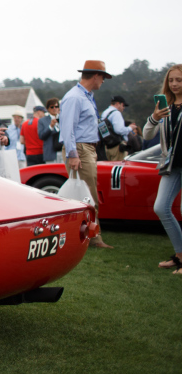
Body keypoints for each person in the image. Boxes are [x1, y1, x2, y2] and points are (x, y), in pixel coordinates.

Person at [59, 60, 113, 249]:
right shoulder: (75, 97)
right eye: (103, 77)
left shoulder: (85, 96)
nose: (103, 81)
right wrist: (74, 153)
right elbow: (67, 128)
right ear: (96, 75)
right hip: (80, 148)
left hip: (85, 147)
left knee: (86, 194)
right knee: (88, 196)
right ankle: (93, 238)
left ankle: (87, 235)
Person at [144, 64, 182, 274]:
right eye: (171, 80)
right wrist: (155, 117)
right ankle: (180, 255)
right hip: (171, 165)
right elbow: (147, 135)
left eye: (179, 80)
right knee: (161, 207)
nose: (174, 84)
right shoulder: (164, 106)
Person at [102, 96, 132, 162]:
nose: (123, 108)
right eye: (123, 105)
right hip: (117, 146)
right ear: (118, 103)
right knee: (119, 166)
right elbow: (119, 130)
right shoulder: (116, 113)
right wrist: (130, 128)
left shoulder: (105, 113)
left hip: (108, 145)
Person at [38, 98, 62, 163]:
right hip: (50, 152)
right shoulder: (42, 121)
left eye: (56, 106)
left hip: (63, 151)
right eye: (52, 107)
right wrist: (50, 127)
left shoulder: (63, 119)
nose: (54, 108)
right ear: (48, 109)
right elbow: (41, 136)